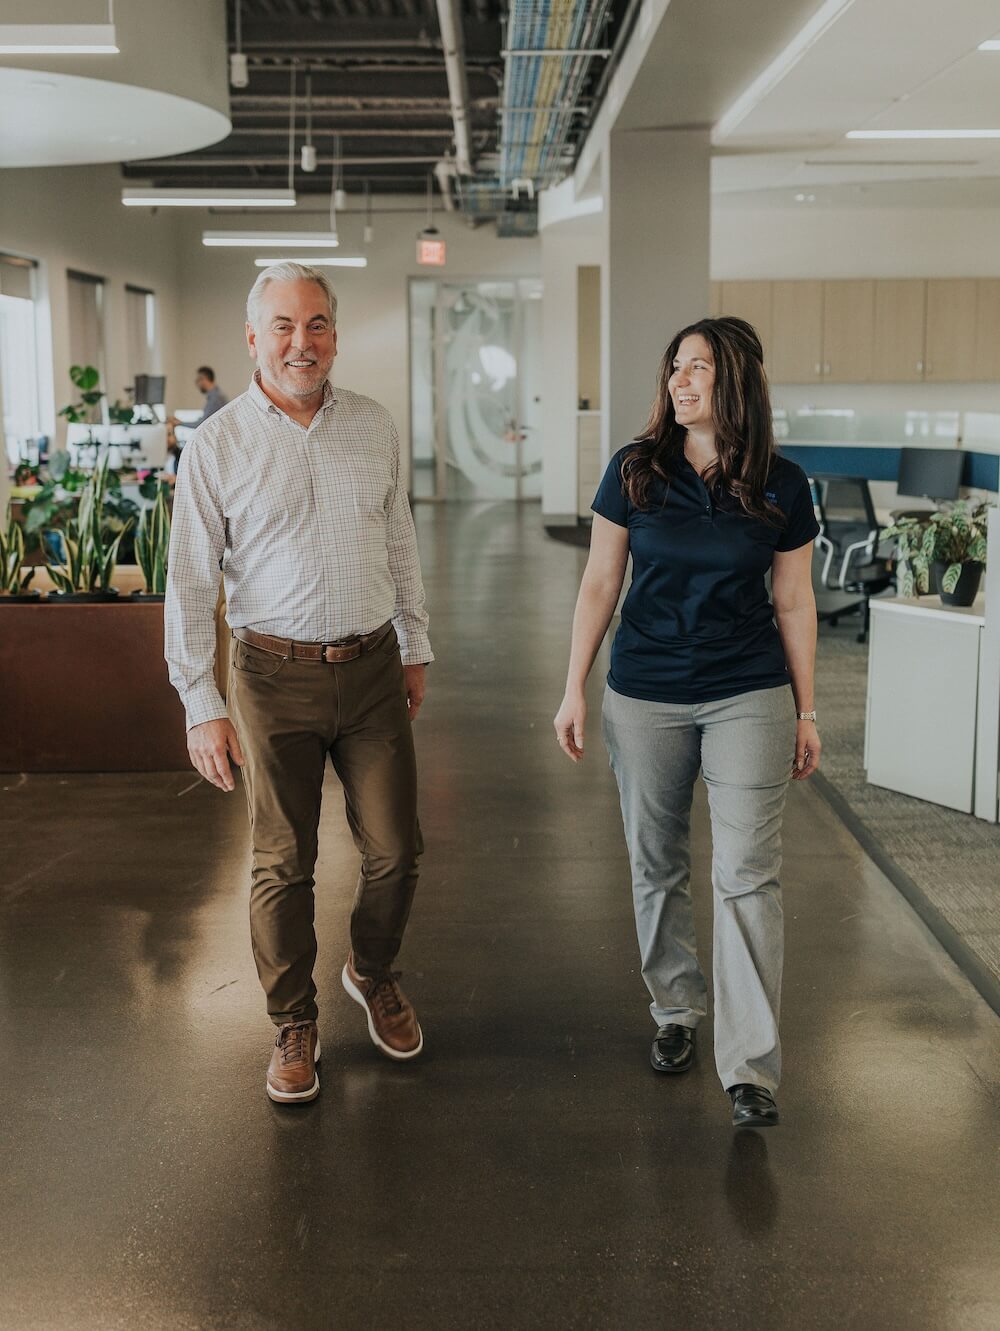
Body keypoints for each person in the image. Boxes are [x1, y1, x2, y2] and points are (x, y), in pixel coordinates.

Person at [165, 262, 433, 1105]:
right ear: (252, 338)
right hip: (271, 675)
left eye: (315, 324)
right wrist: (200, 703)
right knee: (285, 862)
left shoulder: (374, 426)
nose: (300, 342)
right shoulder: (217, 447)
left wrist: (415, 643)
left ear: (335, 335)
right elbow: (191, 583)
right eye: (282, 325)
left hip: (373, 665)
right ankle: (292, 1019)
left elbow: (400, 542)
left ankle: (371, 969)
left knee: (397, 850)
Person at [553, 317, 821, 1129]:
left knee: (747, 869)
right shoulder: (635, 470)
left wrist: (807, 710)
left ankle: (749, 1066)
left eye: (699, 366)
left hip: (748, 691)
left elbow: (794, 599)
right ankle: (675, 1009)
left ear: (736, 379)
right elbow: (601, 583)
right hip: (645, 693)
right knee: (656, 856)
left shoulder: (782, 482)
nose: (680, 379)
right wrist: (573, 687)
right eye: (675, 365)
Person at [168, 366, 228, 431]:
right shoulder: (216, 395)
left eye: (197, 380)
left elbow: (202, 424)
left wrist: (179, 423)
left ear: (203, 379)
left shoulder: (216, 398)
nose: (197, 384)